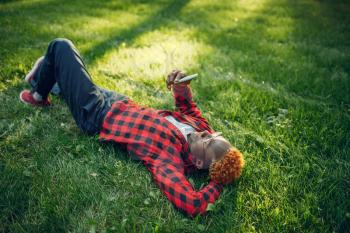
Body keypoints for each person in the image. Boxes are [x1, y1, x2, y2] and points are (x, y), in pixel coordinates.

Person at [19, 38, 245, 216]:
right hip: (121, 101)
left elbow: (193, 203)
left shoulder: (169, 158)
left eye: (209, 141)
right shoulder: (200, 127)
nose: (207, 132)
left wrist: (218, 181)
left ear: (197, 162)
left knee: (61, 46)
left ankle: (39, 94)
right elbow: (187, 106)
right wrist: (181, 84)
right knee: (73, 81)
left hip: (97, 115)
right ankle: (48, 75)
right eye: (215, 134)